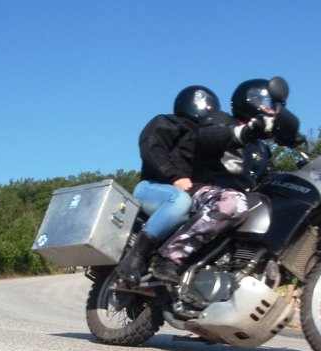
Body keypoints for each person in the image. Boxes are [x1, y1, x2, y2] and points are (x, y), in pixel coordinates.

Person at [151, 78, 300, 283]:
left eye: (277, 106)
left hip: (239, 203)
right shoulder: (219, 119)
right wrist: (245, 132)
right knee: (233, 202)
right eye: (268, 103)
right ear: (250, 99)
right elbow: (209, 136)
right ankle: (169, 257)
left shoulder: (262, 149)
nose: (273, 111)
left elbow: (269, 178)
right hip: (204, 192)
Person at [116, 85, 221, 284]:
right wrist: (174, 176)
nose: (209, 109)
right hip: (151, 188)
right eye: (207, 104)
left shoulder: (205, 141)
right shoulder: (168, 123)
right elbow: (152, 149)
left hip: (184, 194)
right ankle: (134, 258)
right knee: (180, 201)